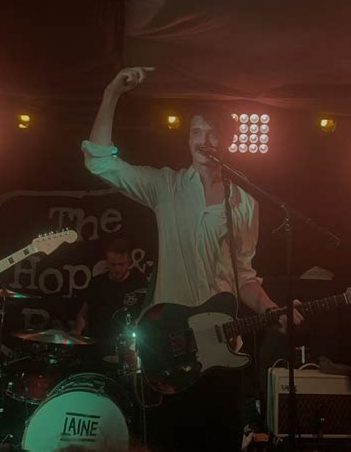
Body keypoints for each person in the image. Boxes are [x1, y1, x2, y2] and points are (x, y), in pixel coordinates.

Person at [81, 67, 304, 451]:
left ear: (230, 141)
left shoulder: (245, 203)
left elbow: (244, 278)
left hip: (223, 349)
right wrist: (111, 93)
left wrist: (273, 309)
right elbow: (100, 161)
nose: (204, 141)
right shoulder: (166, 186)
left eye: (213, 133)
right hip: (171, 345)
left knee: (221, 439)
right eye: (197, 132)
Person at [75, 238, 147, 357]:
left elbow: (148, 315)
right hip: (97, 344)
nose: (117, 269)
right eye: (113, 265)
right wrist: (78, 332)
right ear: (107, 263)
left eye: (121, 264)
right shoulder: (97, 282)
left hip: (127, 346)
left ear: (129, 262)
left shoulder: (139, 283)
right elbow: (83, 313)